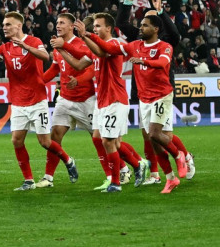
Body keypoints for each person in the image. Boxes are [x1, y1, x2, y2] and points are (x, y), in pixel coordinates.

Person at [0, 12, 78, 191]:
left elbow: (45, 57)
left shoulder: (33, 41)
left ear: (19, 26)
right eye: (4, 24)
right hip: (18, 102)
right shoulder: (5, 47)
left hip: (37, 101)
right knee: (16, 140)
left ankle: (68, 160)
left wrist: (25, 45)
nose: (4, 27)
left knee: (44, 142)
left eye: (8, 24)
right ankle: (28, 180)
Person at [80, 15, 187, 194]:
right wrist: (87, 35)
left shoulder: (164, 47)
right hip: (144, 98)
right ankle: (170, 178)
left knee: (155, 133)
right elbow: (106, 48)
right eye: (141, 25)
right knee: (153, 140)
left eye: (145, 26)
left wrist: (143, 61)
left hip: (162, 96)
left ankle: (178, 155)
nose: (140, 28)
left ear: (155, 29)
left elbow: (162, 63)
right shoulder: (134, 46)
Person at [60, 14, 149, 193]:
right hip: (101, 101)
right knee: (103, 139)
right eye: (94, 26)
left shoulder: (116, 44)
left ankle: (115, 182)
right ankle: (138, 165)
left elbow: (103, 51)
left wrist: (85, 35)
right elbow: (79, 63)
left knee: (109, 141)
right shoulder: (96, 47)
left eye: (98, 26)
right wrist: (63, 48)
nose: (95, 29)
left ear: (108, 28)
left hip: (115, 99)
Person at [118, 0, 194, 183]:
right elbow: (121, 23)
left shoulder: (166, 39)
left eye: (149, 20)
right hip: (142, 89)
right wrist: (129, 1)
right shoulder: (139, 37)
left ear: (157, 25)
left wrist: (160, 10)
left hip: (162, 90)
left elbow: (176, 35)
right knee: (148, 135)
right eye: (143, 21)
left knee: (162, 133)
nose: (142, 25)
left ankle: (185, 156)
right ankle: (154, 174)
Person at [37, 13, 101, 189]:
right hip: (65, 99)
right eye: (57, 22)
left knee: (100, 138)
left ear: (72, 26)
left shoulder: (81, 44)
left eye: (62, 23)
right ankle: (48, 177)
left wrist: (79, 81)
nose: (58, 25)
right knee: (54, 136)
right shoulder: (58, 46)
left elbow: (90, 70)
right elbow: (54, 69)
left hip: (85, 99)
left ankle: (121, 169)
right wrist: (38, 81)